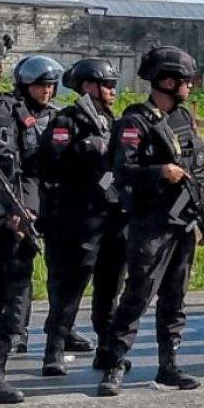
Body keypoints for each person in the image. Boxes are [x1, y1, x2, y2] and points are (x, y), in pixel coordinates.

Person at [96, 46, 204, 397]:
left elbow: (199, 173)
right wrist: (159, 172)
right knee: (139, 292)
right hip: (151, 221)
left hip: (183, 222)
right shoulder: (134, 122)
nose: (189, 87)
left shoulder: (184, 120)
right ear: (166, 81)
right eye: (184, 81)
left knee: (175, 297)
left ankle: (169, 365)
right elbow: (121, 171)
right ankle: (114, 362)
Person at [38, 58, 126, 378]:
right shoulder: (68, 121)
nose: (112, 91)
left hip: (112, 219)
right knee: (70, 287)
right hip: (78, 219)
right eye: (107, 85)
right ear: (87, 86)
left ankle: (107, 349)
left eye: (114, 85)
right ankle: (54, 350)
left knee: (109, 288)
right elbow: (49, 166)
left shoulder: (111, 121)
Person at [6, 55, 63, 353]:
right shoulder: (11, 115)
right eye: (41, 86)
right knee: (18, 268)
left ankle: (62, 328)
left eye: (51, 86)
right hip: (20, 202)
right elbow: (16, 168)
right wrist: (19, 209)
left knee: (61, 271)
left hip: (52, 203)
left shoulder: (56, 118)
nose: (47, 92)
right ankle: (16, 330)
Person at [0, 83, 38, 402]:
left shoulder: (13, 111)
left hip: (11, 225)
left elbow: (31, 168)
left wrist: (25, 210)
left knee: (15, 304)